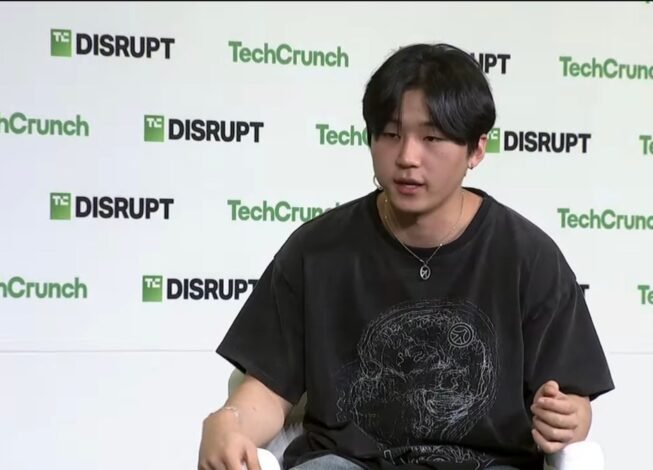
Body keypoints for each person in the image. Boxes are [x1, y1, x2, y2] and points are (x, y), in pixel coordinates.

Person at [197, 43, 614, 470]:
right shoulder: (316, 250)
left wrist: (568, 418)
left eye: (431, 138)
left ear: (476, 149)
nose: (407, 157)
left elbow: (572, 401)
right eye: (391, 135)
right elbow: (267, 390)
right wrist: (228, 422)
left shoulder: (528, 257)